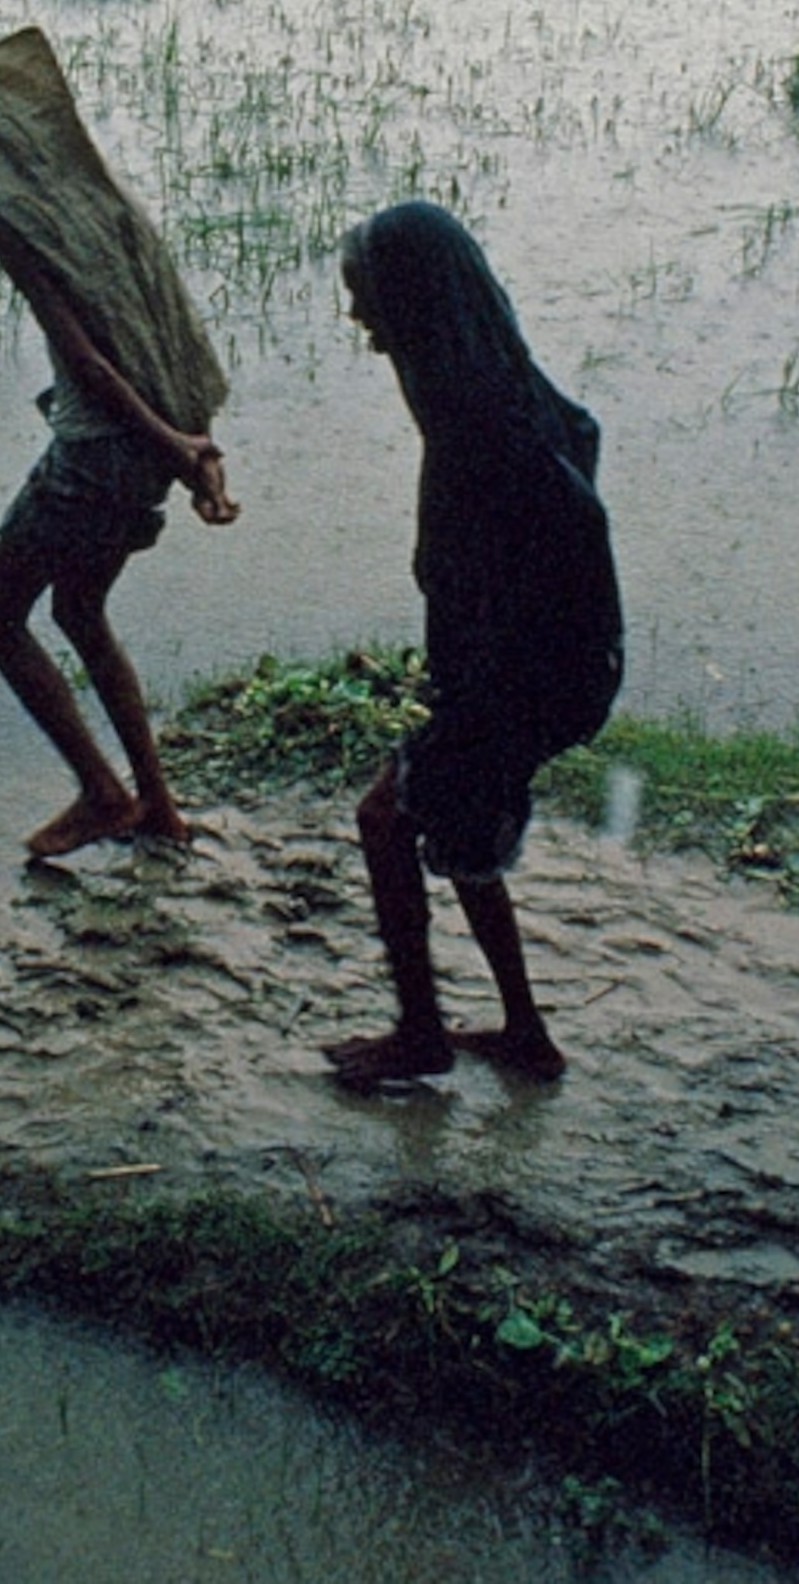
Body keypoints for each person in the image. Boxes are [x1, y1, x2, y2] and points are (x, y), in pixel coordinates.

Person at [323, 202, 621, 1091]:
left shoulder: (475, 422)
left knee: (390, 822)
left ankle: (421, 1035)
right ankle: (525, 1034)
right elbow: (584, 444)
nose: (359, 322)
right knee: (464, 838)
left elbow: (562, 521)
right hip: (554, 671)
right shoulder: (501, 384)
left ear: (408, 302)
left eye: (366, 300)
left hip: (516, 679)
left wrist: (480, 676)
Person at [0, 28, 239, 862]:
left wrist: (176, 445)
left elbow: (92, 363)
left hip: (102, 454)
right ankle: (159, 807)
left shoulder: (16, 228)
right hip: (142, 458)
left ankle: (105, 793)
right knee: (79, 610)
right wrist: (190, 451)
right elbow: (167, 339)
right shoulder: (105, 201)